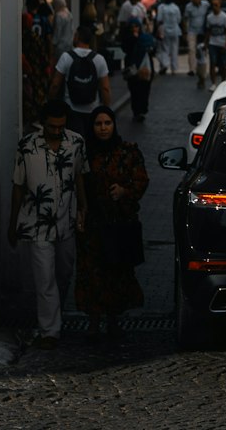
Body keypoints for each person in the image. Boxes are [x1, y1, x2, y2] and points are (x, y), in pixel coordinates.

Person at [8, 99, 87, 348]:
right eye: (52, 126)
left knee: (63, 273)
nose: (56, 130)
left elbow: (79, 177)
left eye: (60, 126)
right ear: (43, 124)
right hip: (36, 223)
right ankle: (49, 332)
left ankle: (56, 315)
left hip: (67, 220)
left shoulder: (76, 143)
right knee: (45, 279)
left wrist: (84, 208)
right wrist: (13, 223)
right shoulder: (27, 146)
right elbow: (18, 186)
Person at [75, 108, 150, 340]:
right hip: (93, 223)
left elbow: (141, 180)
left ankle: (114, 319)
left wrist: (124, 191)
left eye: (108, 123)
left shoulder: (127, 152)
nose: (104, 128)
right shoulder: (85, 153)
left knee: (117, 270)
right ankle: (94, 320)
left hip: (119, 222)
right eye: (98, 123)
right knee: (92, 271)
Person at [57, 24, 115, 116]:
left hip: (70, 109)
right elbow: (105, 88)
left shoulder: (66, 57)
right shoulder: (99, 59)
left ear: (77, 37)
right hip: (92, 110)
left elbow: (55, 85)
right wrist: (106, 110)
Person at [203, 0, 226, 87]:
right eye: (213, 5)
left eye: (216, 5)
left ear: (219, 5)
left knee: (223, 64)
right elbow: (208, 31)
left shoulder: (224, 17)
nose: (214, 7)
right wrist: (206, 43)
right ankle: (213, 83)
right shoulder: (209, 17)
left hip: (222, 43)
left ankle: (223, 82)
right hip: (213, 43)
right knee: (212, 63)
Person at [180, 0, 206, 78]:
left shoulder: (205, 4)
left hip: (202, 31)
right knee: (191, 49)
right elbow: (185, 19)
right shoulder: (189, 7)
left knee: (202, 50)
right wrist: (185, 31)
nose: (194, 0)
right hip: (192, 31)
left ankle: (201, 68)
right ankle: (192, 69)